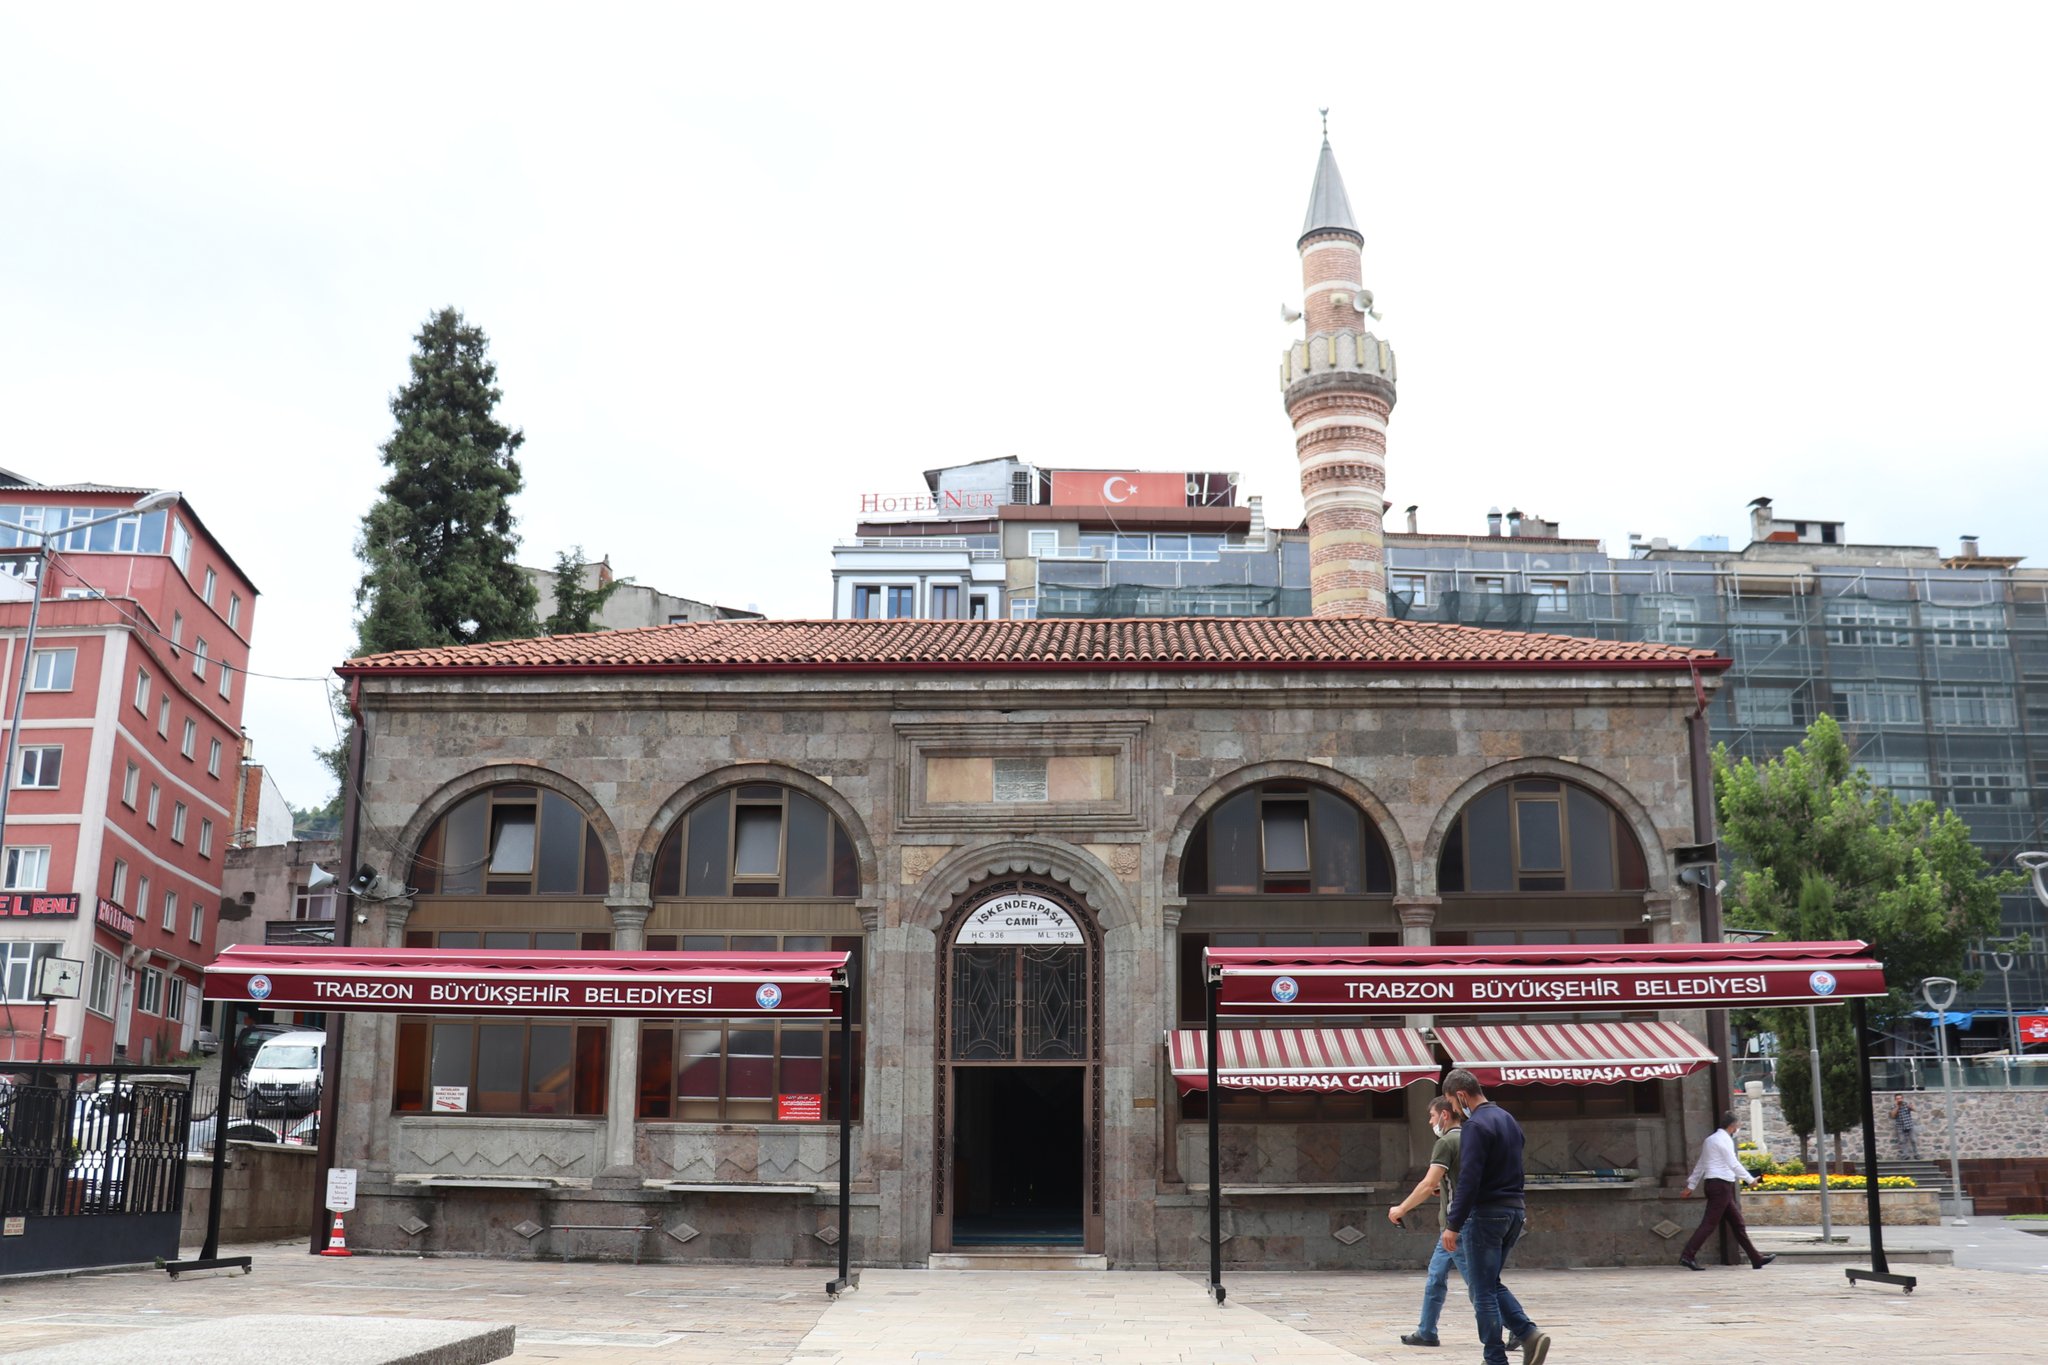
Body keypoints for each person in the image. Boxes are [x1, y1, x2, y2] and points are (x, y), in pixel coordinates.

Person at [1440, 1070, 1550, 1365]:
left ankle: (1495, 1357)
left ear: (1461, 1095)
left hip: (1486, 1214)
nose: (1452, 1109)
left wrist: (1453, 1224)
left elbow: (1469, 1179)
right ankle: (1528, 1334)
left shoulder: (1475, 1125)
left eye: (1452, 1102)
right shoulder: (1507, 1119)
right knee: (1489, 1282)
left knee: (1482, 1290)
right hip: (1514, 1210)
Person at [1387, 1096, 1467, 1348]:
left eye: (1432, 1116)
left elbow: (1427, 1183)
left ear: (1445, 1114)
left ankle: (1519, 1327)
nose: (1430, 1121)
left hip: (1457, 1226)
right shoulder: (1470, 1138)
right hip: (1454, 1225)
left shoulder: (1446, 1142)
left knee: (1480, 1284)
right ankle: (1426, 1330)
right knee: (1436, 1277)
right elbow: (1459, 1180)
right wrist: (1442, 1190)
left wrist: (1401, 1208)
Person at [1679, 1110, 1777, 1271]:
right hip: (1721, 1186)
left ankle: (1756, 1258)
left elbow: (1701, 1164)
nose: (1738, 1128)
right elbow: (1733, 1163)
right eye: (1738, 1125)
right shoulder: (1724, 1141)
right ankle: (1687, 1256)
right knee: (1709, 1223)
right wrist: (1750, 1180)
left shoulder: (1710, 1140)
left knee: (1737, 1223)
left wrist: (1691, 1186)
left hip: (1715, 1185)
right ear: (1732, 1126)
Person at [1892, 1094, 1921, 1159]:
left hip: (1909, 1125)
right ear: (1895, 1100)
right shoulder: (1894, 1106)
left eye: (1900, 1098)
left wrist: (1911, 1107)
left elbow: (1915, 1110)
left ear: (1902, 1098)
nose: (1899, 1100)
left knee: (1913, 1140)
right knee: (1902, 1141)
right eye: (1897, 1099)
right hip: (1900, 1126)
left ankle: (1916, 1154)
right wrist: (1897, 1107)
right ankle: (1905, 1155)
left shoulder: (1906, 1104)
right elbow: (1893, 1116)